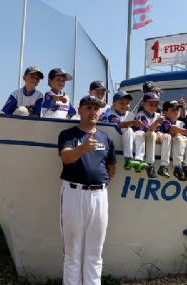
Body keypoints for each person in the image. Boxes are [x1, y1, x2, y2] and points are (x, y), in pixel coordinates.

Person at [58, 95, 116, 285]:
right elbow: (66, 158)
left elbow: (111, 169)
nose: (93, 111)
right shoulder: (68, 135)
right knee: (72, 252)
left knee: (95, 251)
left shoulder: (106, 138)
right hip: (73, 194)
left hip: (99, 196)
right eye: (88, 108)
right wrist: (82, 148)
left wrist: (98, 184)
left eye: (96, 108)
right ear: (80, 110)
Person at [100, 91, 144, 172]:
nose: (125, 106)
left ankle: (138, 160)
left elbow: (138, 128)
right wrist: (134, 122)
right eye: (121, 103)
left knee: (141, 133)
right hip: (113, 146)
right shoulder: (110, 114)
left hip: (126, 144)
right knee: (128, 129)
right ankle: (128, 159)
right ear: (114, 103)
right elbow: (120, 125)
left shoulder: (131, 115)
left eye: (127, 103)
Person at [158, 100, 187, 180]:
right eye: (173, 110)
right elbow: (172, 129)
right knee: (178, 138)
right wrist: (185, 132)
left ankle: (186, 166)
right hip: (167, 145)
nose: (176, 111)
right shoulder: (164, 120)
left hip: (177, 148)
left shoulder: (181, 123)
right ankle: (177, 167)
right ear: (165, 112)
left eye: (178, 109)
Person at [132, 92, 164, 178]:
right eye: (151, 104)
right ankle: (150, 165)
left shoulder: (158, 115)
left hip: (153, 141)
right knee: (151, 134)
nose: (153, 107)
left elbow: (164, 130)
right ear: (143, 103)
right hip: (141, 138)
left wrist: (160, 134)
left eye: (155, 105)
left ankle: (164, 166)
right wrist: (157, 123)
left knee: (167, 137)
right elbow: (148, 130)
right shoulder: (140, 115)